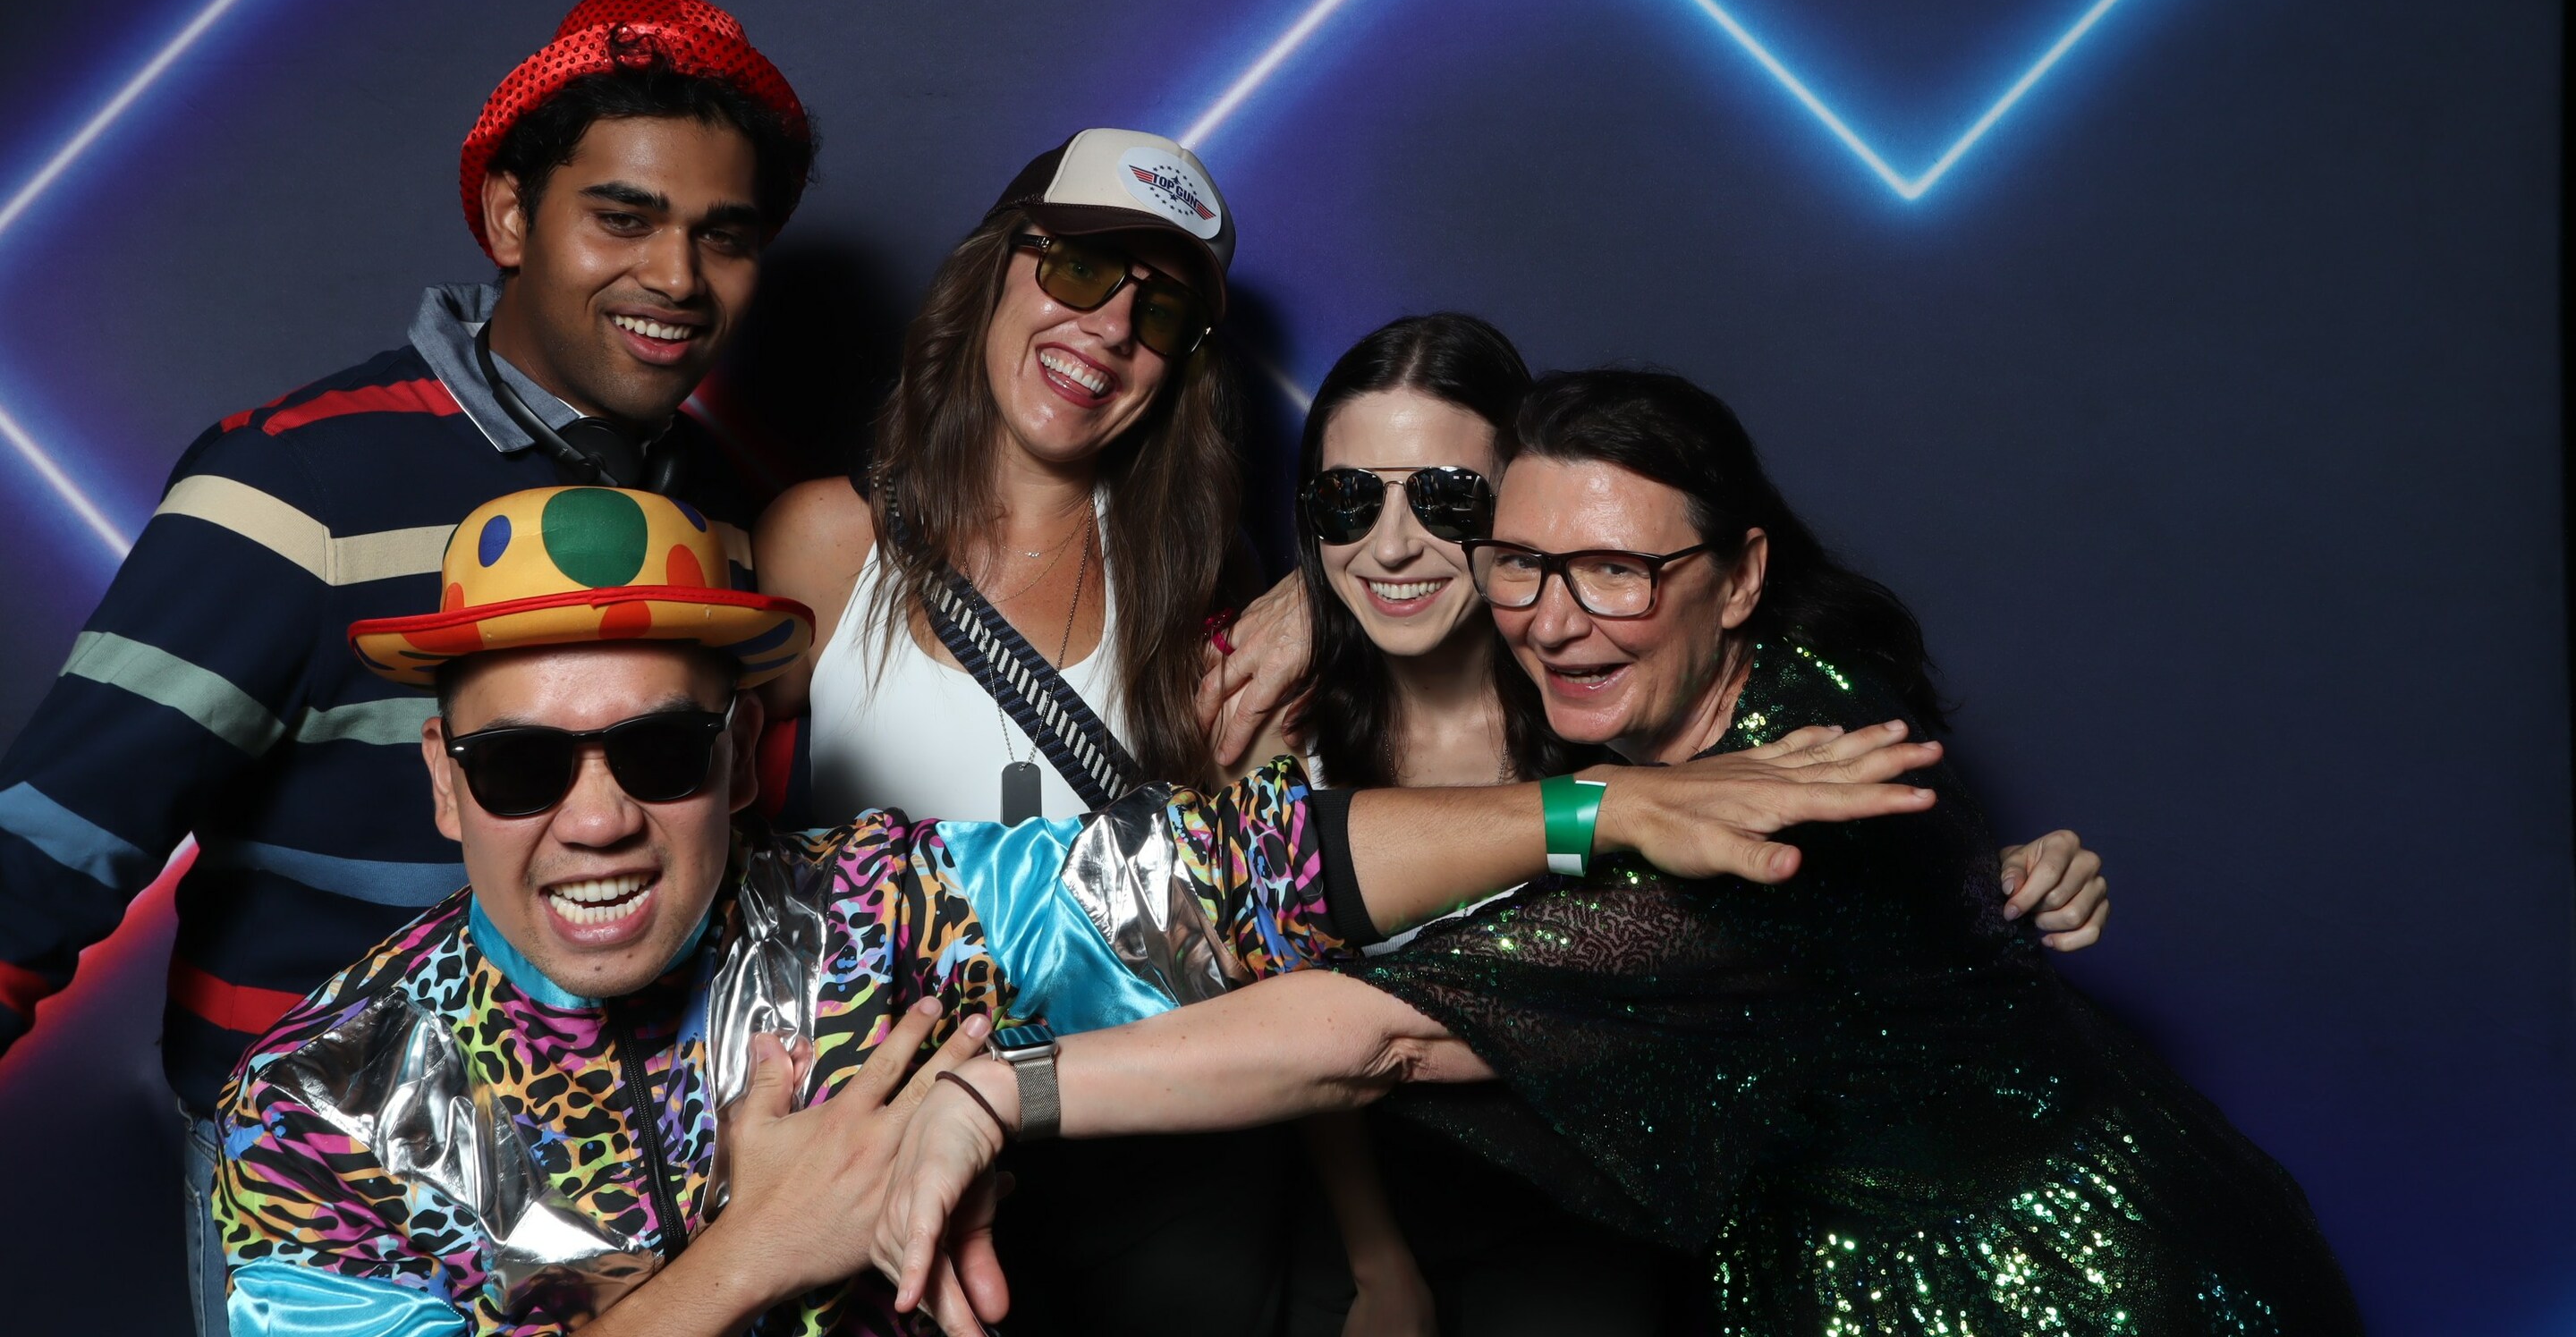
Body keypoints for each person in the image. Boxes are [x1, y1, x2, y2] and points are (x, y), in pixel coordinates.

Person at [211, 483, 1939, 1336]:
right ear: (444, 786)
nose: (597, 819)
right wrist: (755, 1258)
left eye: (658, 750)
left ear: (735, 760)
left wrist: (1592, 805)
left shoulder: (879, 908)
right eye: (523, 768)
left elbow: (1236, 874)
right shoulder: (313, 1110)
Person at [879, 367, 2360, 1334]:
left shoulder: (1771, 839)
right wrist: (1315, 596)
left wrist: (1005, 1092)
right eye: (1521, 563)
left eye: (1617, 573)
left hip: (2046, 1290)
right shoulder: (1781, 683)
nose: (1555, 616)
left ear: (1743, 574)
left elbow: (1374, 1035)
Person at [0, 0, 812, 1335]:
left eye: (724, 236)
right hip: (331, 1195)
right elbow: (38, 855)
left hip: (645, 1179)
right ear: (510, 216)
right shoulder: (298, 484)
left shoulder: (718, 518)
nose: (677, 277)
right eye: (623, 217)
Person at [1284, 315, 2108, 1336]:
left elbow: (1814, 899)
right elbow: (1294, 1007)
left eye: (1448, 499)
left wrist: (1980, 887)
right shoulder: (1279, 725)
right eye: (1347, 498)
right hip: (1375, 1198)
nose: (1391, 541)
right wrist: (1378, 1263)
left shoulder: (1610, 696)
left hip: (1615, 1225)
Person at [755, 128, 1286, 1331]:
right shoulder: (826, 543)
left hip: (1155, 1160)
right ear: (996, 267)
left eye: (1160, 312)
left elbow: (1263, 887)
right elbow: (684, 794)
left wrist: (1320, 607)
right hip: (888, 1160)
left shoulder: (1201, 575)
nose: (1110, 328)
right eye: (1081, 269)